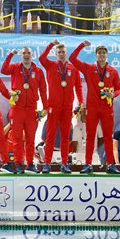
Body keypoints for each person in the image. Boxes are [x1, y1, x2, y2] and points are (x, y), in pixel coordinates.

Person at [69, 43, 120, 174]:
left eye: (104, 53)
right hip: (92, 108)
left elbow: (118, 88)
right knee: (90, 136)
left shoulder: (113, 71)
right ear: (96, 55)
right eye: (99, 53)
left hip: (107, 108)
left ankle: (110, 165)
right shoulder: (89, 68)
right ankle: (88, 164)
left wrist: (113, 94)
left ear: (106, 55)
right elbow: (72, 58)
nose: (102, 55)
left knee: (108, 137)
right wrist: (81, 45)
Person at [39, 39, 84, 174]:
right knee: (50, 135)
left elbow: (78, 86)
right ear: (56, 54)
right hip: (53, 105)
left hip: (67, 106)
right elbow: (41, 58)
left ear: (66, 53)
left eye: (63, 52)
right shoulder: (50, 65)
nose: (61, 54)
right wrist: (51, 45)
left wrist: (80, 102)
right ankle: (46, 163)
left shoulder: (73, 68)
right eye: (59, 52)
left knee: (65, 136)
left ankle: (64, 163)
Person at [0, 47, 47, 174]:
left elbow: (43, 89)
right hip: (17, 109)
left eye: (28, 53)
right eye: (24, 53)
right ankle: (19, 163)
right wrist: (10, 54)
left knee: (30, 138)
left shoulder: (38, 71)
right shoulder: (15, 67)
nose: (26, 55)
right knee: (17, 138)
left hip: (32, 109)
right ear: (21, 56)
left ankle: (30, 163)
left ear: (32, 55)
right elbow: (3, 70)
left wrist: (45, 107)